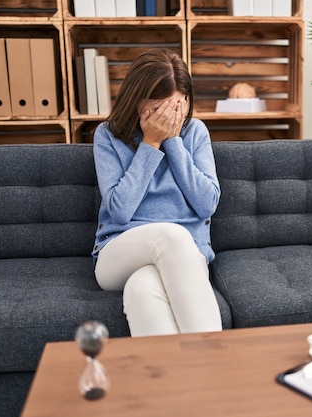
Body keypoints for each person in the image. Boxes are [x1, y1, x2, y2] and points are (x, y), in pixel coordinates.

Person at [91, 48, 222, 337]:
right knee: (172, 234)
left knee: (142, 288)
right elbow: (120, 210)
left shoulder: (195, 133)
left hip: (186, 258)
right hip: (118, 253)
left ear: (186, 103)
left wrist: (173, 142)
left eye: (175, 107)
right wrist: (151, 143)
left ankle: (175, 381)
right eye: (159, 109)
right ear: (136, 101)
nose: (167, 117)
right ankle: (216, 360)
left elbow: (207, 205)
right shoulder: (108, 136)